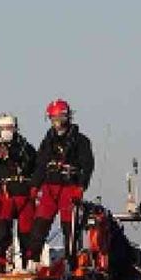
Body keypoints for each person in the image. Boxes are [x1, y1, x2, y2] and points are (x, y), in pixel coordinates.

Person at [24, 98, 95, 265]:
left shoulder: (80, 141)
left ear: (68, 117)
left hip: (70, 187)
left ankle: (72, 263)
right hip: (49, 187)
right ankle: (32, 261)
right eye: (53, 118)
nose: (57, 122)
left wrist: (81, 185)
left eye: (60, 117)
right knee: (39, 225)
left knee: (69, 227)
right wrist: (34, 186)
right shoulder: (48, 141)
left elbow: (88, 165)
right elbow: (41, 165)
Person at [0, 113, 37, 272]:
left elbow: (32, 161)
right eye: (3, 128)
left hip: (25, 193)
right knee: (2, 231)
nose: (6, 131)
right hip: (6, 193)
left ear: (15, 128)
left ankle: (28, 264)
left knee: (27, 232)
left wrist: (11, 152)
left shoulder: (25, 147)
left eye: (9, 128)